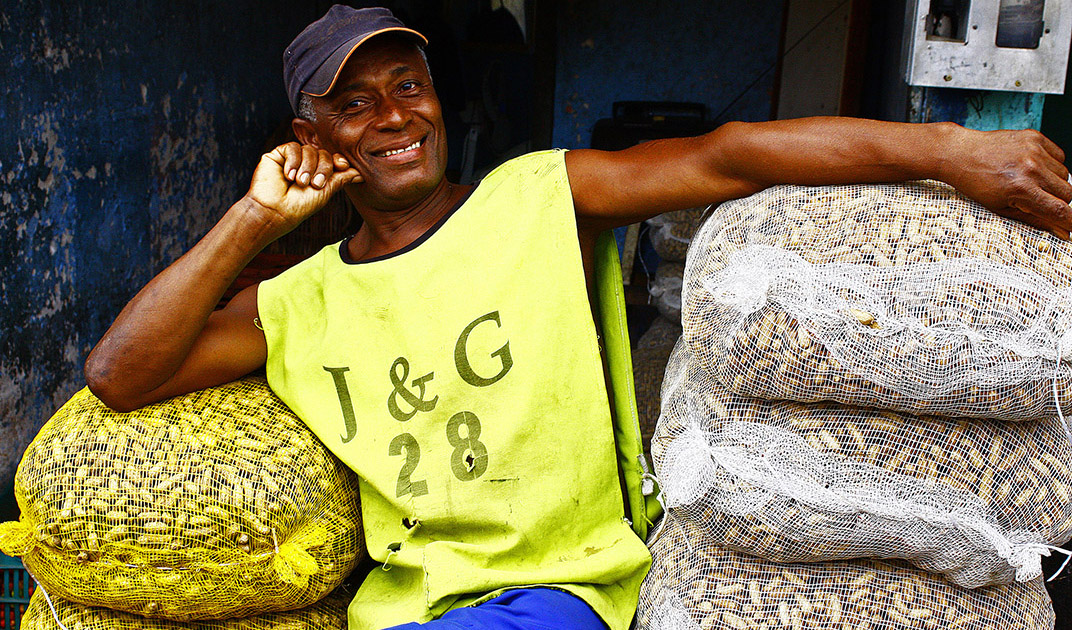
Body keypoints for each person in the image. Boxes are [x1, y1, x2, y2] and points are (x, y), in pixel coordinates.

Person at [83, 6, 1072, 630]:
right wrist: (256, 216)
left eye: (408, 87)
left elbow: (729, 156)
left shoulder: (535, 196)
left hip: (559, 593)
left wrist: (945, 145)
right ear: (313, 138)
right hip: (403, 610)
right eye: (354, 104)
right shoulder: (296, 302)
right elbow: (121, 374)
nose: (395, 118)